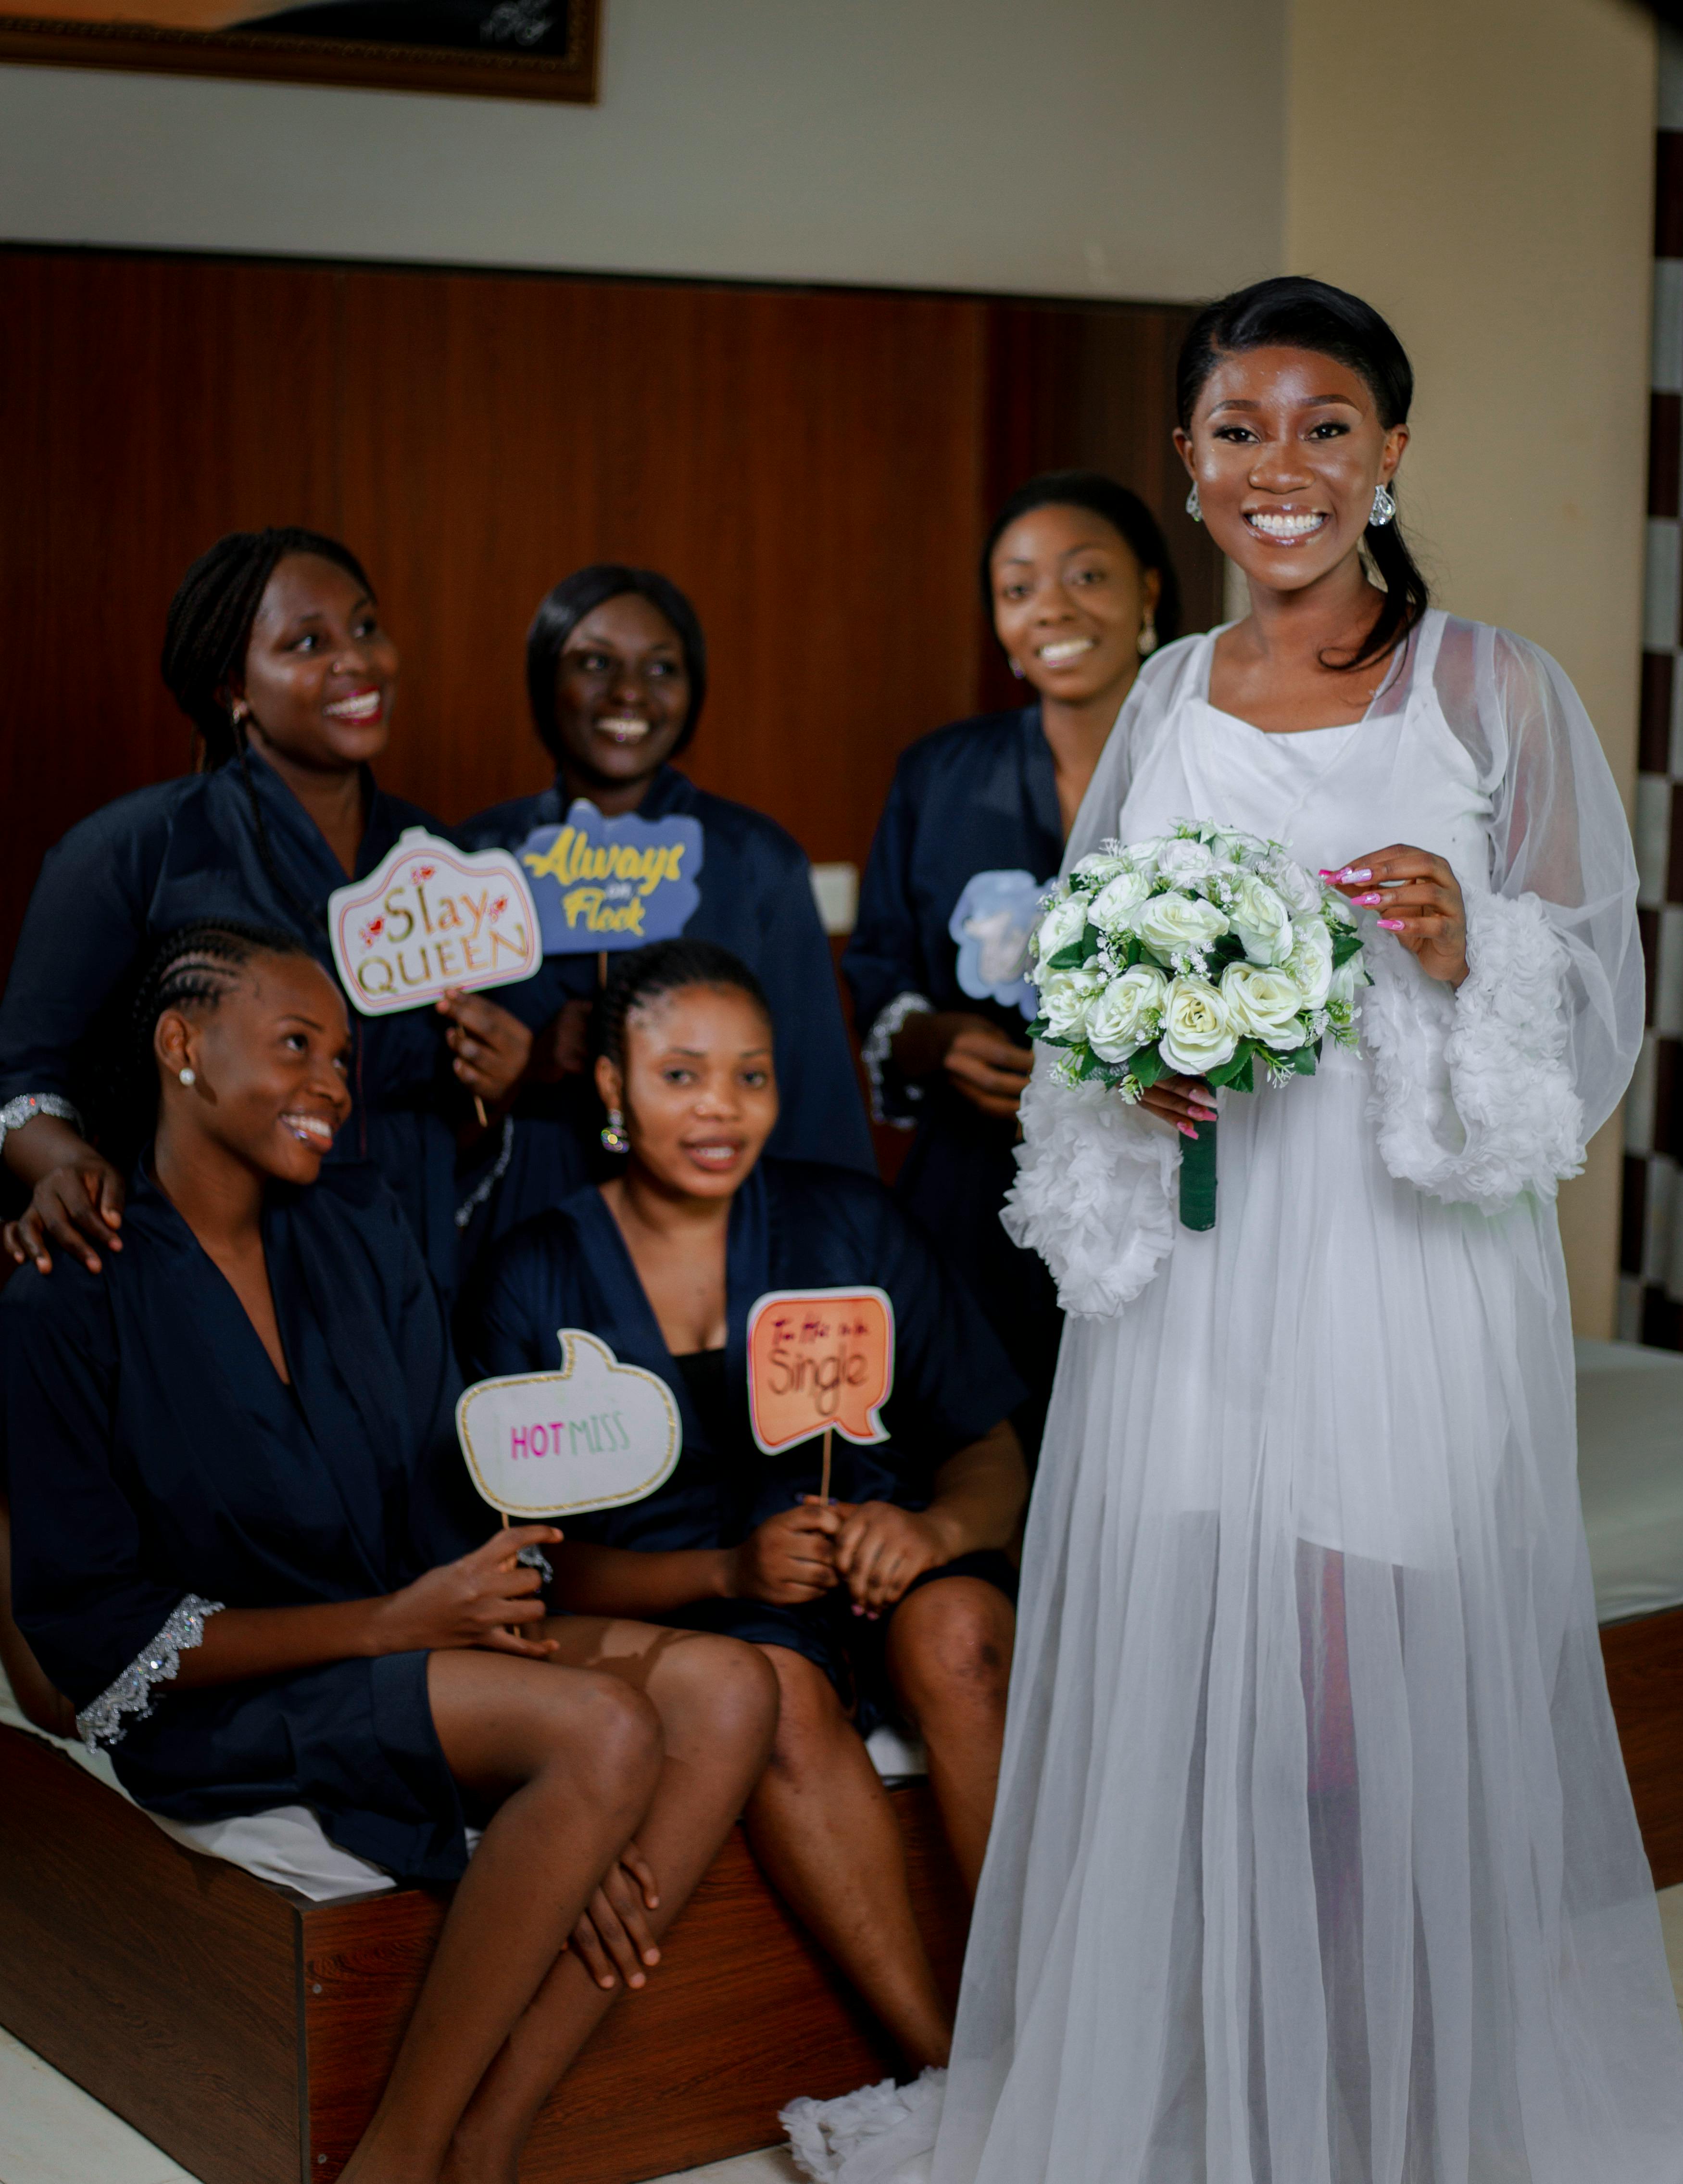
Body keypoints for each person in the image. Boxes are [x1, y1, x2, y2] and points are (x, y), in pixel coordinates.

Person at [784, 279, 1683, 2184]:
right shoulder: (1163, 694)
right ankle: (1244, 2107)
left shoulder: (1494, 686)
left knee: (1371, 1718)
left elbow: (1591, 1022)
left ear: (1392, 453)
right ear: (1191, 465)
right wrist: (1130, 1076)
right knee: (1220, 1716)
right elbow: (1089, 993)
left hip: (1405, 1272)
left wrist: (1472, 948)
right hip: (1214, 1278)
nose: (1281, 466)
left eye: (1325, 425)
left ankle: (1402, 2120)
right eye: (1240, 429)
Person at [0, 921, 779, 2184]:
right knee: (606, 1734)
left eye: (347, 1061)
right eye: (297, 1044)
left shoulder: (362, 1230)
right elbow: (92, 1640)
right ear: (181, 1043)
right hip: (233, 1690)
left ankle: (493, 2127)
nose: (332, 1085)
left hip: (412, 1629)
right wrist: (407, 1628)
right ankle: (403, 2159)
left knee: (735, 1684)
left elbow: (439, 1487)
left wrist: (490, 1646)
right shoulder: (67, 1289)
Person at [463, 938, 1028, 2071]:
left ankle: (1055, 2020)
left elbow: (991, 1455)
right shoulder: (534, 1271)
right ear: (614, 1086)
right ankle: (951, 2076)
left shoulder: (850, 1226)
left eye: (752, 1075)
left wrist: (930, 1530)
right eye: (681, 1075)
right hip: (704, 1611)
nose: (722, 1108)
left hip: (882, 1582)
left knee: (960, 1631)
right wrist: (728, 1573)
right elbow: (528, 1573)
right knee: (770, 1691)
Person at [0, 528, 534, 1303]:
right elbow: (21, 1080)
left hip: (404, 1287)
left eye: (365, 627)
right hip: (202, 1282)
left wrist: (500, 1085)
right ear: (233, 690)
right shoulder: (134, 851)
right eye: (308, 641)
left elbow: (451, 1119)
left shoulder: (441, 864)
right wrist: (59, 1163)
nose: (356, 660)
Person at [841, 474, 1174, 1453]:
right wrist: (928, 1037)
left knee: (1143, 1454)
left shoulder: (1215, 771)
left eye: (1087, 577)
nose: (1054, 610)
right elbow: (878, 967)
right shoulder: (939, 774)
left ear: (1151, 592)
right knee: (984, 1459)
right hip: (976, 1196)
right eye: (1019, 587)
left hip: (1163, 1190)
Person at [456, 564, 875, 1255]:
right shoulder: (473, 861)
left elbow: (815, 1096)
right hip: (521, 1227)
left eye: (661, 668)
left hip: (719, 1232)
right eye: (595, 663)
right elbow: (411, 1116)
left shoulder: (756, 859)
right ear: (543, 681)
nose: (628, 692)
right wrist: (531, 1063)